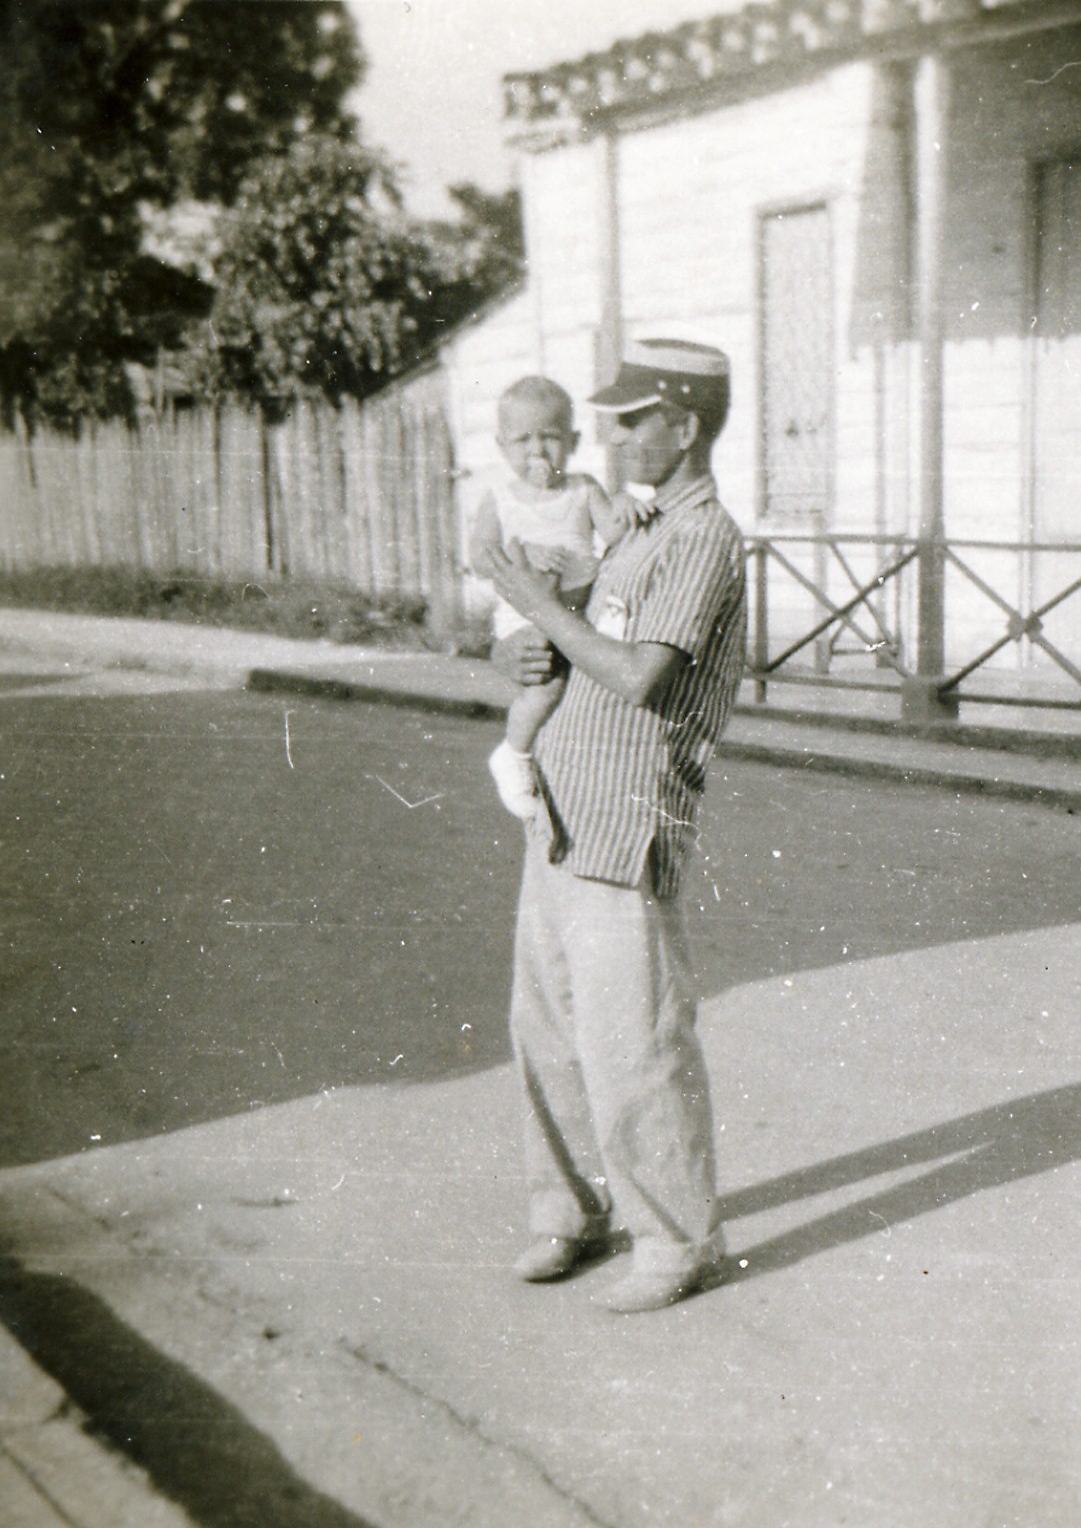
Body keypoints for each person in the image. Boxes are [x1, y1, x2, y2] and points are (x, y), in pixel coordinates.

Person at [481, 338, 745, 1313]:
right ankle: (566, 1210)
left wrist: (540, 606)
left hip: (628, 813)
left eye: (636, 418)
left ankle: (676, 1243)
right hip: (561, 805)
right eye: (615, 418)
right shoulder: (631, 526)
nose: (615, 433)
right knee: (545, 1024)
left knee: (634, 1037)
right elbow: (571, 646)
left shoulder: (699, 537)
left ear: (685, 424)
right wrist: (524, 650)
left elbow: (639, 674)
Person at [465, 375, 642, 820]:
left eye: (551, 437)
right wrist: (518, 552)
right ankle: (513, 753)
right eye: (523, 440)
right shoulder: (501, 497)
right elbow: (480, 556)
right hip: (525, 615)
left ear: (574, 441)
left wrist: (624, 503)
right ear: (502, 446)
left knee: (607, 661)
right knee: (548, 686)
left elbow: (615, 532)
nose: (538, 452)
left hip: (583, 610)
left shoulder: (583, 488)